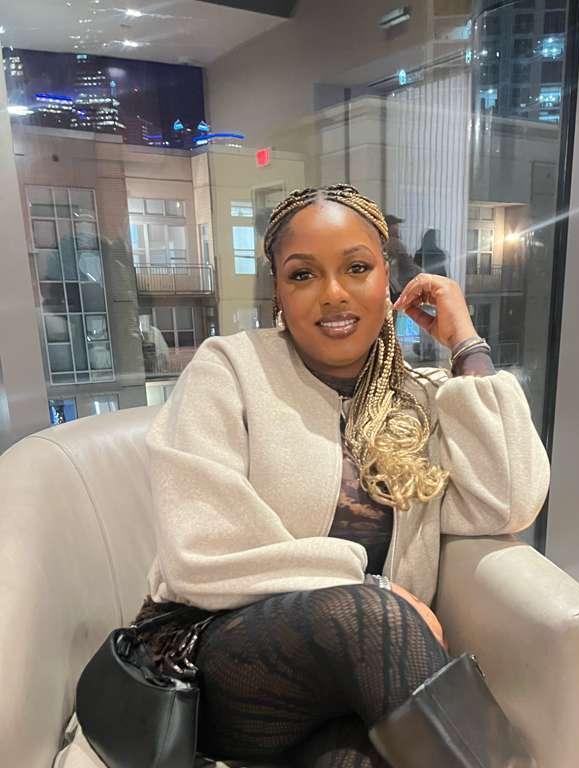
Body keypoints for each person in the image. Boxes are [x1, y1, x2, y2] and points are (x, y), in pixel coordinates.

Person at [132, 184, 550, 767]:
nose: (333, 293)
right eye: (303, 274)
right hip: (207, 664)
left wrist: (467, 345)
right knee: (371, 622)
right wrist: (371, 587)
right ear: (278, 290)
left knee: (356, 760)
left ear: (389, 280)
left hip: (349, 682)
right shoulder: (230, 369)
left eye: (357, 268)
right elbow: (199, 551)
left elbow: (509, 502)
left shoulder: (418, 398)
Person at [384, 213, 421, 302]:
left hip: (385, 284)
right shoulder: (395, 243)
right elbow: (407, 264)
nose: (398, 228)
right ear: (389, 227)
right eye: (395, 225)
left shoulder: (380, 242)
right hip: (395, 286)